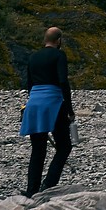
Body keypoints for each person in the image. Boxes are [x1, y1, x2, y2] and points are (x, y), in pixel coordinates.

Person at [21, 27, 73, 196]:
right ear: (59, 40)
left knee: (38, 149)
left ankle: (31, 190)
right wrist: (70, 109)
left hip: (34, 103)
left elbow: (29, 84)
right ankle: (49, 185)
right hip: (54, 102)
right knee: (64, 146)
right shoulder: (59, 55)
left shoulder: (33, 57)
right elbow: (63, 81)